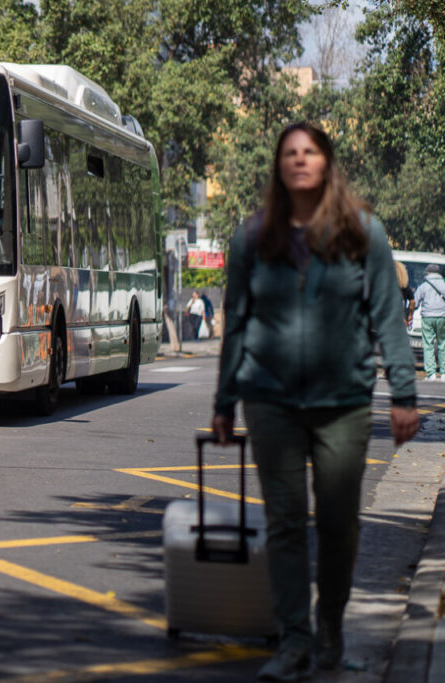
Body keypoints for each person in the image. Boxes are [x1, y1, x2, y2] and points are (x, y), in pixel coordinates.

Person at [211, 122, 419, 680]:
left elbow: (387, 318)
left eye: (310, 152)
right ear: (279, 166)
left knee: (338, 523)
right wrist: (225, 398)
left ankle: (329, 625)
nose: (300, 160)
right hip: (270, 400)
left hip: (344, 402)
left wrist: (404, 392)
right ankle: (294, 640)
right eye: (290, 153)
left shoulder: (362, 234)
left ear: (327, 163)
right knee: (283, 522)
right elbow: (237, 324)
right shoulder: (252, 237)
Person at [412, 264, 445, 381]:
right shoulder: (444, 284)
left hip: (427, 317)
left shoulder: (424, 286)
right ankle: (444, 373)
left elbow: (415, 302)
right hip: (442, 317)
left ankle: (431, 374)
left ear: (428, 273)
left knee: (428, 344)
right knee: (442, 344)